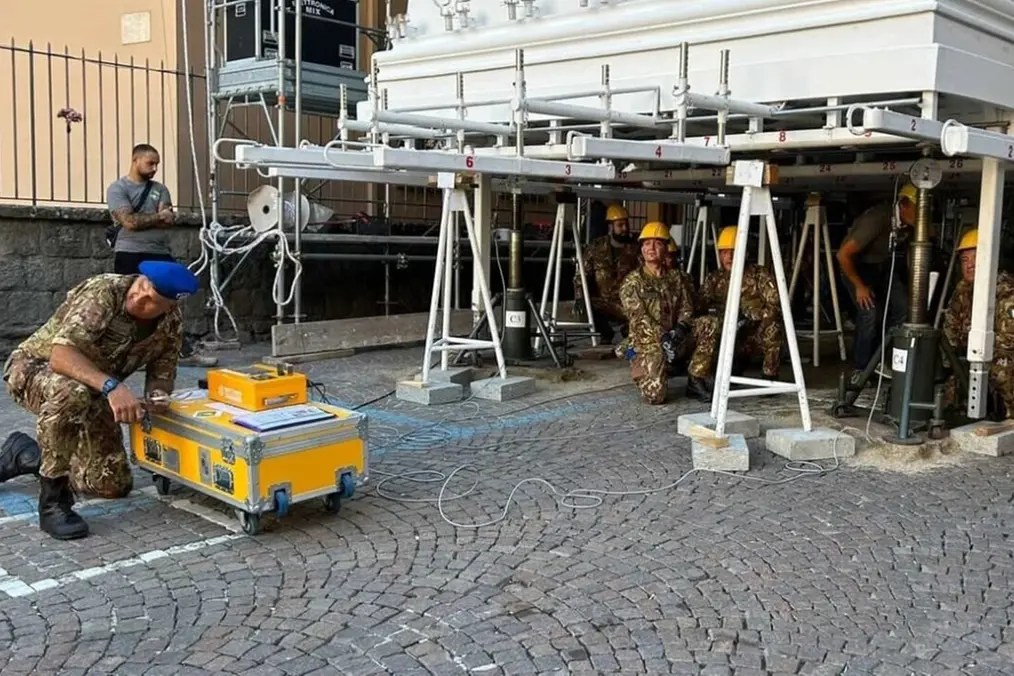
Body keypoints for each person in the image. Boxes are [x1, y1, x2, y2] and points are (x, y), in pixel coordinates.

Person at [0, 261, 198, 540]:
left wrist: (157, 397)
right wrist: (112, 386)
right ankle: (53, 502)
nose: (139, 297)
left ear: (170, 306)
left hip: (95, 389)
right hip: (33, 369)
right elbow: (61, 356)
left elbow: (161, 375)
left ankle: (25, 454)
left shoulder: (170, 324)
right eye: (141, 286)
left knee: (110, 483)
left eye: (152, 300)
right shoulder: (103, 292)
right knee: (72, 393)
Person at [106, 143, 216, 367]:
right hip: (130, 252)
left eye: (157, 164)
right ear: (136, 160)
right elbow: (129, 222)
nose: (155, 168)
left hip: (159, 252)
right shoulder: (118, 189)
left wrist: (149, 218)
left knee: (170, 301)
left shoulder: (160, 189)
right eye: (150, 163)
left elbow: (169, 219)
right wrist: (157, 217)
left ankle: (181, 351)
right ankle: (123, 355)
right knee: (128, 305)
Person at [617, 222, 706, 404]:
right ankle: (633, 355)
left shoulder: (676, 278)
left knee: (708, 324)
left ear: (666, 248)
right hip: (647, 342)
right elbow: (639, 318)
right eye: (646, 243)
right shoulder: (632, 283)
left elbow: (686, 307)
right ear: (642, 249)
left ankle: (695, 380)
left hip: (674, 337)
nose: (651, 248)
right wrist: (664, 337)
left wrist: (681, 328)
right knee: (656, 397)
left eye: (657, 243)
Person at [837, 184, 916, 383]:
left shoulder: (908, 224)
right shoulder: (876, 219)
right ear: (904, 204)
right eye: (919, 209)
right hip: (856, 267)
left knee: (904, 308)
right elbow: (843, 255)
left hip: (881, 266)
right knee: (870, 313)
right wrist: (859, 286)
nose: (923, 216)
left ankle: (882, 358)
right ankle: (861, 368)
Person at [693, 226, 784, 382]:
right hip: (725, 336)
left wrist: (752, 316)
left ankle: (769, 375)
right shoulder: (714, 279)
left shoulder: (759, 275)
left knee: (774, 327)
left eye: (734, 251)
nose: (730, 257)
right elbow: (698, 308)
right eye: (724, 252)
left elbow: (775, 305)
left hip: (752, 334)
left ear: (745, 253)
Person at [942, 229, 1014, 415]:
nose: (970, 265)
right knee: (949, 389)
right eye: (965, 260)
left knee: (1002, 370)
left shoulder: (1007, 292)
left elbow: (1007, 342)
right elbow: (950, 329)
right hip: (973, 357)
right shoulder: (963, 289)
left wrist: (977, 353)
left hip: (999, 359)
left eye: (976, 258)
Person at [574, 203, 640, 343]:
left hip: (627, 303)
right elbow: (582, 275)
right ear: (610, 227)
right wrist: (580, 297)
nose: (625, 229)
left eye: (626, 224)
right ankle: (605, 333)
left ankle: (628, 332)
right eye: (620, 225)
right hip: (602, 302)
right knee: (585, 306)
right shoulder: (596, 247)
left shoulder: (636, 249)